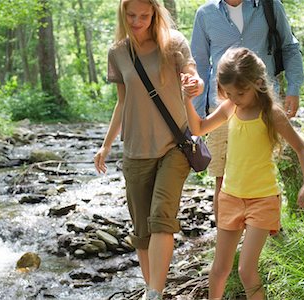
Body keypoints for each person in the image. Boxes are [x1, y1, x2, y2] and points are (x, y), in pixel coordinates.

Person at [182, 47, 304, 300]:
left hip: (263, 199)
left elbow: (303, 148)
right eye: (229, 93)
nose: (235, 97)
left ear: (257, 83)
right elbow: (198, 129)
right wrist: (187, 100)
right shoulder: (230, 107)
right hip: (230, 197)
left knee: (246, 270)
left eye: (240, 93)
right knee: (219, 268)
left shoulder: (272, 114)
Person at [93, 0, 204, 299]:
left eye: (144, 15)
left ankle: (154, 292)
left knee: (160, 218)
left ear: (155, 13)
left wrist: (194, 84)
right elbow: (122, 101)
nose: (137, 21)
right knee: (142, 232)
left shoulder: (174, 43)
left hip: (174, 146)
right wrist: (105, 145)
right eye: (131, 15)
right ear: (122, 13)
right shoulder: (118, 52)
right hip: (136, 150)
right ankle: (151, 290)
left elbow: (194, 77)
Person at [190, 0, 304, 221]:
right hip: (222, 106)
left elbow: (289, 47)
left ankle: (266, 229)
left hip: (263, 104)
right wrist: (199, 114)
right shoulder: (205, 13)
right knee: (223, 180)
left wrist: (294, 88)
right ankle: (228, 242)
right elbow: (200, 64)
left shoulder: (270, 6)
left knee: (262, 169)